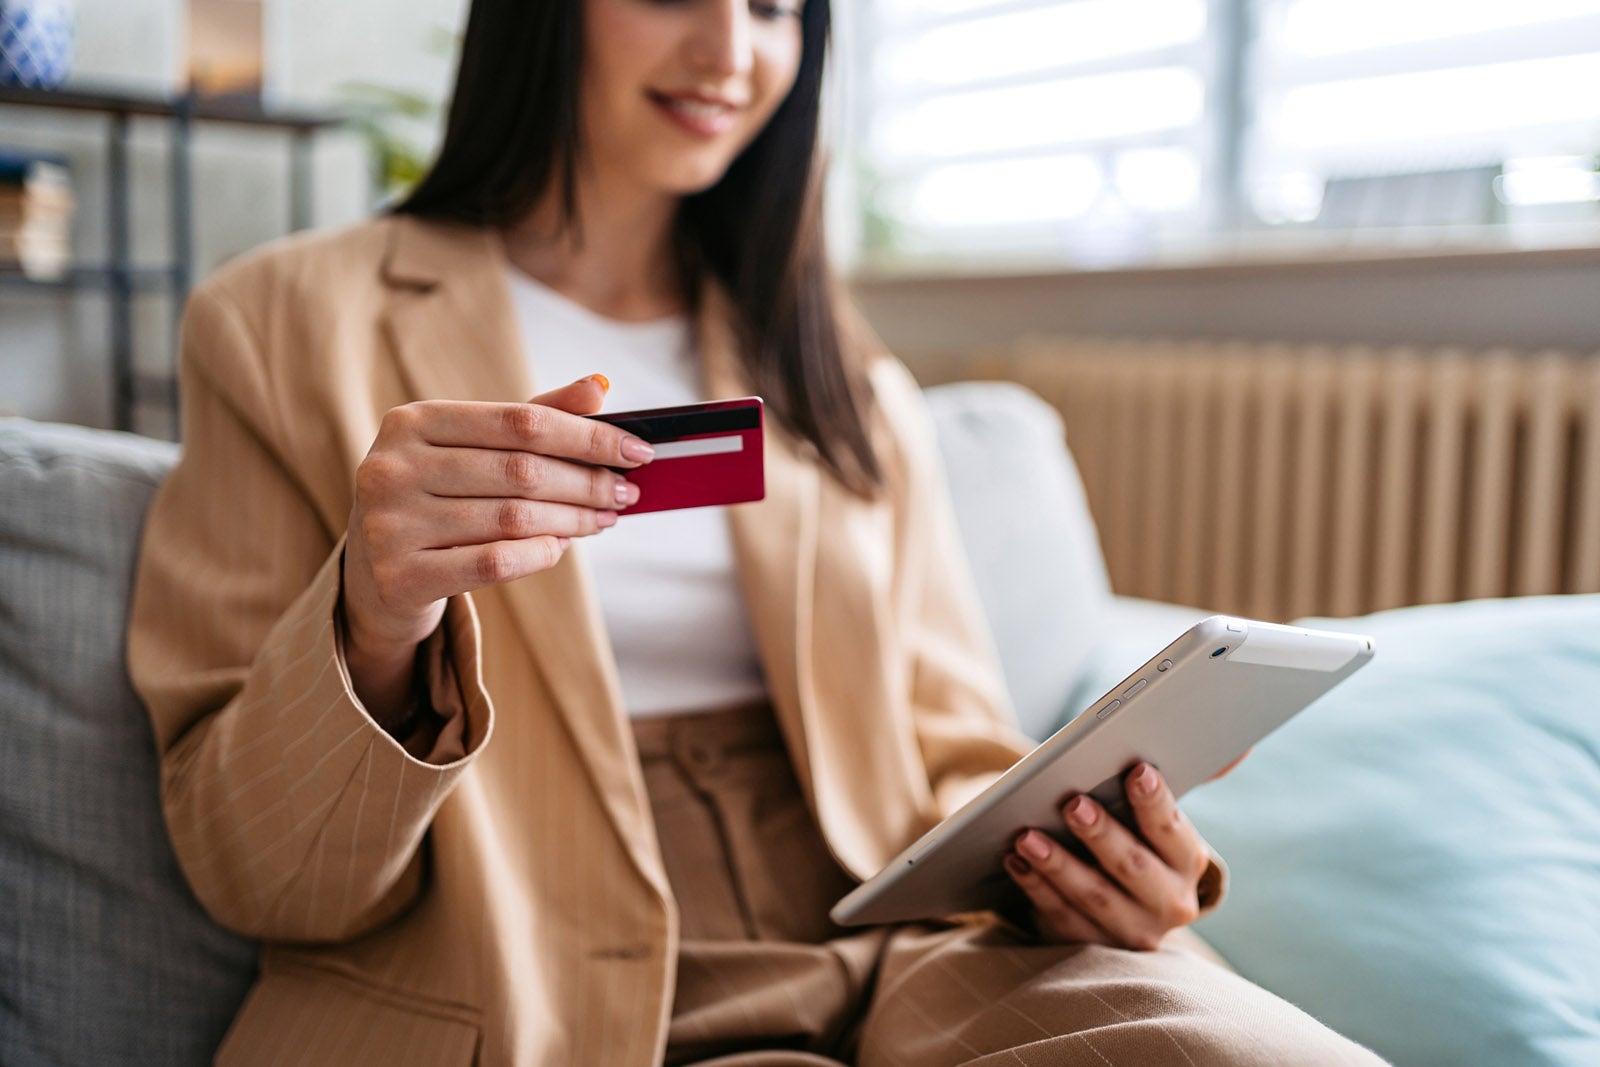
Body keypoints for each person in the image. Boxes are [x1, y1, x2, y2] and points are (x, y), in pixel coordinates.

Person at [128, 1, 1387, 1064]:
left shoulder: (841, 372)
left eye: (780, 5)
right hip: (528, 969)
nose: (734, 48)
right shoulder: (283, 320)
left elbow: (948, 748)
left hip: (892, 944)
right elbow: (261, 872)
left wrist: (1100, 861)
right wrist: (377, 611)